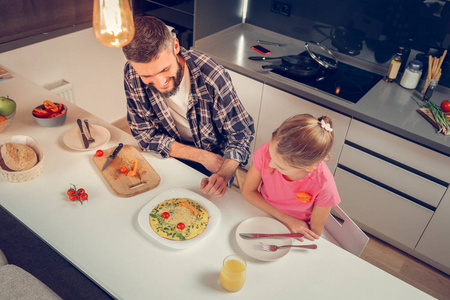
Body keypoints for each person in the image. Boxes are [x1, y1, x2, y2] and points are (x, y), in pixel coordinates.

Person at [122, 16, 254, 198]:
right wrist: (199, 156)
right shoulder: (132, 74)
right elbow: (144, 133)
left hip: (216, 161)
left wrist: (225, 173)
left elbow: (241, 133)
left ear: (176, 46)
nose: (160, 83)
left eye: (164, 70)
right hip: (168, 152)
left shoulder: (212, 77)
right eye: (147, 77)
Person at [242, 114, 341, 241]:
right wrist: (285, 218)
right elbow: (248, 191)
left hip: (295, 228)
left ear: (309, 167)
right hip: (263, 210)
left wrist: (288, 222)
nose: (270, 164)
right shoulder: (268, 151)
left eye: (280, 167)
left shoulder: (324, 185)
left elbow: (314, 233)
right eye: (271, 156)